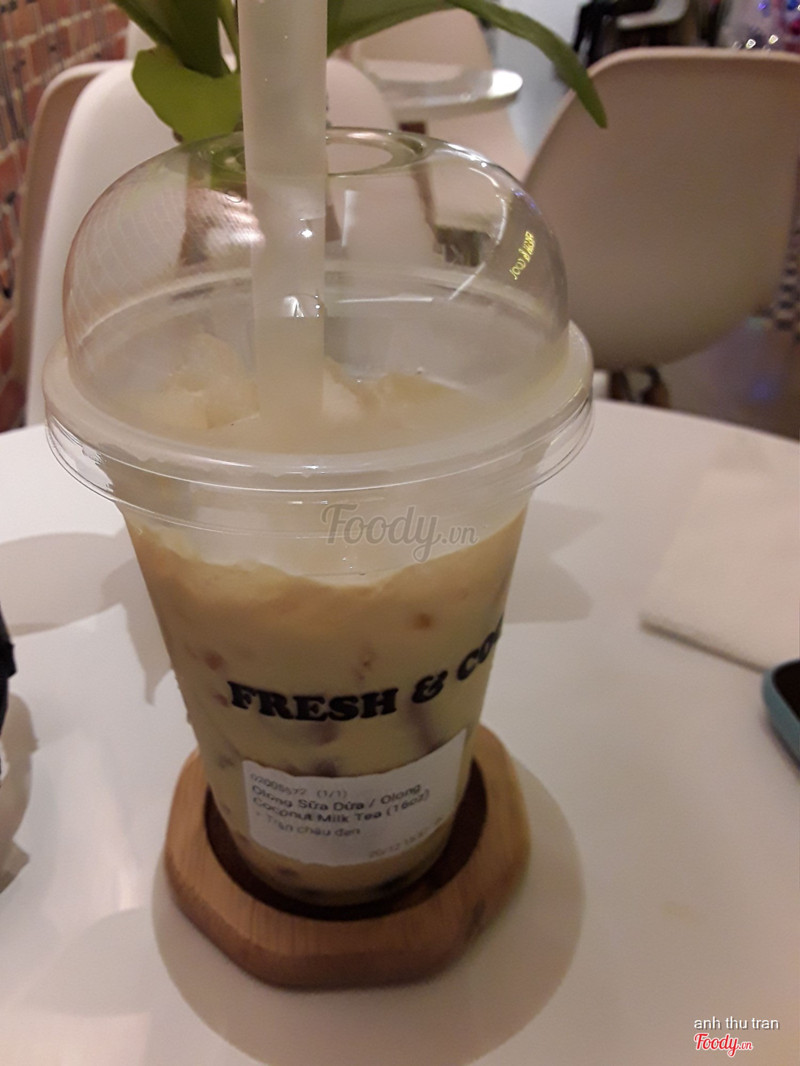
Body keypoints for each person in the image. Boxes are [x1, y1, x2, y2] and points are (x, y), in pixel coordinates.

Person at [572, 0, 658, 64]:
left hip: (639, 3)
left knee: (598, 9)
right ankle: (578, 46)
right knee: (586, 9)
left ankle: (592, 53)